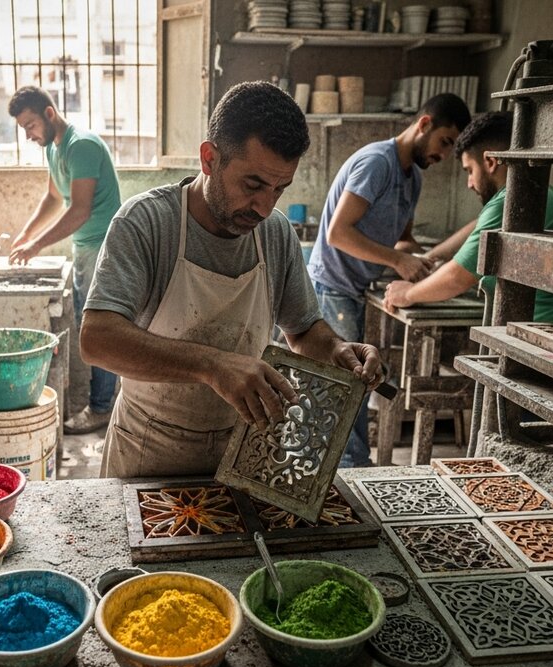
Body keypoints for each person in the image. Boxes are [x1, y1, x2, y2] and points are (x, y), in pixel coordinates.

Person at [80, 81, 385, 478]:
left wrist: (337, 349)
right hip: (149, 448)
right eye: (253, 185)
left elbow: (305, 329)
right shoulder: (148, 223)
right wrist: (211, 365)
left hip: (244, 448)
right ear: (209, 159)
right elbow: (97, 339)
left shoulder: (276, 233)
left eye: (279, 189)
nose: (264, 206)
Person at [306, 93, 470, 467]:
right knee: (344, 390)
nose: (444, 155)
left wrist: (421, 262)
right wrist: (398, 260)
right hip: (332, 287)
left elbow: (402, 241)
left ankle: (354, 467)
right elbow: (338, 233)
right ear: (424, 124)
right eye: (444, 142)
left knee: (359, 384)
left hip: (357, 291)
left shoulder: (412, 180)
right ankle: (348, 474)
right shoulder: (376, 163)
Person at [383, 111, 553, 325]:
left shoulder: (509, 202)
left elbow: (456, 278)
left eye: (469, 170)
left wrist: (408, 293)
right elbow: (478, 226)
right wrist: (430, 257)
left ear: (490, 161)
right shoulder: (541, 193)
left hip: (545, 329)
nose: (469, 183)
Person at [7, 86, 122, 435]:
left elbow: (80, 210)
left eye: (30, 125)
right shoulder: (55, 149)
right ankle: (104, 401)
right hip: (85, 248)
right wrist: (26, 234)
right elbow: (53, 197)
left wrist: (36, 246)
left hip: (103, 245)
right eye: (23, 128)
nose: (28, 135)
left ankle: (102, 407)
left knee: (99, 329)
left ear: (49, 114)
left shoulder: (81, 146)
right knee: (89, 326)